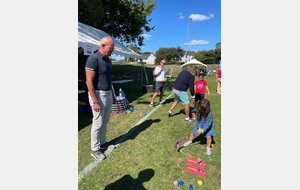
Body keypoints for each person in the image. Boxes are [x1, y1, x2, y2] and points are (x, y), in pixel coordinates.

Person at [85, 36, 117, 160]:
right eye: (111, 48)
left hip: (108, 94)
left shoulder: (108, 60)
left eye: (113, 48)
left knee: (105, 120)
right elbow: (89, 81)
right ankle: (95, 149)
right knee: (97, 123)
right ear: (103, 45)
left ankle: (103, 143)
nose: (112, 50)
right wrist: (95, 101)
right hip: (98, 95)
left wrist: (113, 94)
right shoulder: (93, 59)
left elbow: (109, 79)